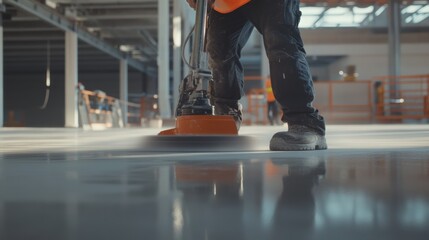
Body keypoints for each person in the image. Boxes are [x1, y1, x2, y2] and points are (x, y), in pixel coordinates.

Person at [185, 0, 327, 151]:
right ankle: (226, 117)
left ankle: (304, 121)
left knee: (280, 41)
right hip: (226, 3)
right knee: (219, 51)